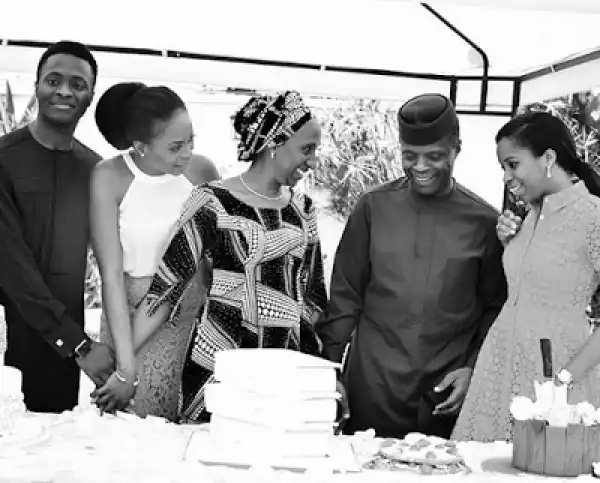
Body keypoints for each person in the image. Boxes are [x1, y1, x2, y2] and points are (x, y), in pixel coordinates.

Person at [125, 91, 328, 422]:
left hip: (284, 375)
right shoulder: (212, 203)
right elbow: (165, 290)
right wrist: (121, 365)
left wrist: (318, 378)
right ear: (274, 142)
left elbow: (312, 302)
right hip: (218, 370)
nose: (313, 160)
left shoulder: (303, 211)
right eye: (307, 149)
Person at [316, 93, 508, 439]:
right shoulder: (372, 208)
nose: (420, 167)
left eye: (434, 156)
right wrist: (329, 374)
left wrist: (472, 368)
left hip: (444, 393)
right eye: (410, 156)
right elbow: (345, 298)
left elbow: (494, 308)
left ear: (456, 149)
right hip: (373, 387)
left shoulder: (484, 221)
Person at [453, 111, 600, 442]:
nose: (507, 177)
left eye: (513, 164)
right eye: (503, 167)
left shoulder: (593, 217)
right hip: (498, 367)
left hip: (558, 379)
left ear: (548, 158)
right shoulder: (529, 217)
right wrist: (510, 244)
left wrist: (563, 379)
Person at [89, 82, 220, 419]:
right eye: (176, 146)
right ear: (140, 146)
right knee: (136, 436)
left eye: (191, 140)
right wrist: (124, 367)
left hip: (192, 324)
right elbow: (112, 279)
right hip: (130, 322)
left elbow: (215, 262)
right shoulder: (109, 177)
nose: (187, 153)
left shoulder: (202, 172)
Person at [0, 41, 115, 413]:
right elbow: (12, 264)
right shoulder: (3, 159)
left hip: (61, 358)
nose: (64, 91)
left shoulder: (95, 170)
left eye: (77, 84)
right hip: (11, 339)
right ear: (36, 87)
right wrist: (78, 344)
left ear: (90, 96)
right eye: (54, 80)